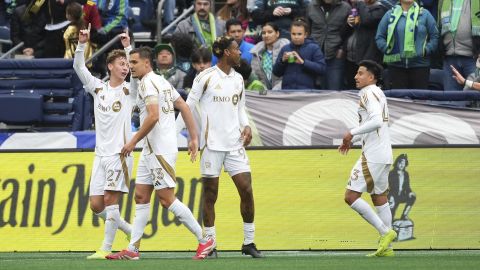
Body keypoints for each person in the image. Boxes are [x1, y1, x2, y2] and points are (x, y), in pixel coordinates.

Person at [106, 46, 215, 260]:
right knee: (141, 196)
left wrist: (132, 141)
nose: (130, 66)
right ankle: (133, 249)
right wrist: (194, 137)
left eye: (134, 62)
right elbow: (183, 105)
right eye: (129, 62)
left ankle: (205, 239)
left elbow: (154, 115)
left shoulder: (148, 83)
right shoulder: (161, 81)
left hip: (160, 149)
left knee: (166, 199)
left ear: (147, 63)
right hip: (151, 149)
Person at [186, 36, 264, 258]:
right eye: (236, 49)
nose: (240, 53)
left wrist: (246, 126)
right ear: (226, 53)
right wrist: (176, 137)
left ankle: (249, 242)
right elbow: (187, 107)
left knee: (246, 190)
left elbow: (240, 108)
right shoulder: (205, 77)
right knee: (210, 195)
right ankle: (210, 244)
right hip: (210, 145)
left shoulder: (239, 79)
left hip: (234, 144)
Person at [73, 26, 134, 260]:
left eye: (127, 64)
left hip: (120, 154)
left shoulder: (130, 90)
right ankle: (131, 231)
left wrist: (128, 48)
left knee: (110, 200)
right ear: (110, 67)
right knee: (96, 206)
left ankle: (106, 248)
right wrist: (81, 44)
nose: (125, 67)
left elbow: (139, 74)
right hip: (100, 154)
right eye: (121, 63)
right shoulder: (98, 88)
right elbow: (79, 67)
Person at [338, 60, 397, 257]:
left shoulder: (367, 92)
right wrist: (354, 138)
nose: (356, 76)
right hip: (384, 153)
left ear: (371, 77)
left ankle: (386, 232)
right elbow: (375, 123)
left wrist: (350, 133)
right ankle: (386, 248)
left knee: (350, 196)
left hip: (373, 154)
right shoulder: (379, 93)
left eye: (361, 73)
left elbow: (376, 121)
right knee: (379, 197)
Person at [375, 0, 438, 89]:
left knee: (419, 101)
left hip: (420, 66)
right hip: (396, 66)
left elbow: (435, 36)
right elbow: (379, 37)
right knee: (399, 101)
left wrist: (425, 50)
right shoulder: (389, 14)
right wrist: (387, 49)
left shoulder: (425, 14)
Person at [307, 0, 351, 90]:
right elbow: (307, 29)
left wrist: (342, 48)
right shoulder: (311, 6)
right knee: (314, 90)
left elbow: (349, 31)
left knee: (334, 89)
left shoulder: (345, 7)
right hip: (315, 53)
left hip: (335, 53)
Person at [344, 0, 388, 89]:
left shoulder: (382, 9)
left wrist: (360, 3)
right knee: (352, 88)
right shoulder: (359, 8)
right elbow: (350, 29)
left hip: (371, 57)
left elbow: (367, 20)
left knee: (367, 88)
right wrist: (350, 22)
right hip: (353, 57)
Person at [273, 18, 326, 90]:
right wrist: (282, 61)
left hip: (307, 91)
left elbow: (322, 69)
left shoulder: (314, 48)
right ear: (290, 33)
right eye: (293, 34)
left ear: (305, 35)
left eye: (299, 34)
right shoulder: (285, 48)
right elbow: (276, 73)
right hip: (287, 91)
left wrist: (303, 62)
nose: (296, 37)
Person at [439, 0, 480, 91]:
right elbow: (438, 24)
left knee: (474, 99)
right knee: (451, 101)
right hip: (449, 58)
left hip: (473, 58)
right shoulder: (442, 1)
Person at [250, 22, 289, 90]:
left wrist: (275, 91)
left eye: (270, 32)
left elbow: (289, 73)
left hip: (282, 91)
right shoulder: (256, 52)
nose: (266, 35)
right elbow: (255, 75)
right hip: (264, 93)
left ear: (277, 34)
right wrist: (263, 90)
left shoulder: (286, 50)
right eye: (263, 33)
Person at [388, 154, 416, 220]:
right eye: (400, 162)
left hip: (402, 196)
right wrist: (390, 197)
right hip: (393, 197)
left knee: (412, 197)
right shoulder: (391, 173)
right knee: (391, 215)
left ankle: (404, 215)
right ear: (397, 163)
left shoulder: (406, 174)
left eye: (404, 163)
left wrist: (410, 192)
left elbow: (407, 187)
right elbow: (387, 187)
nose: (402, 165)